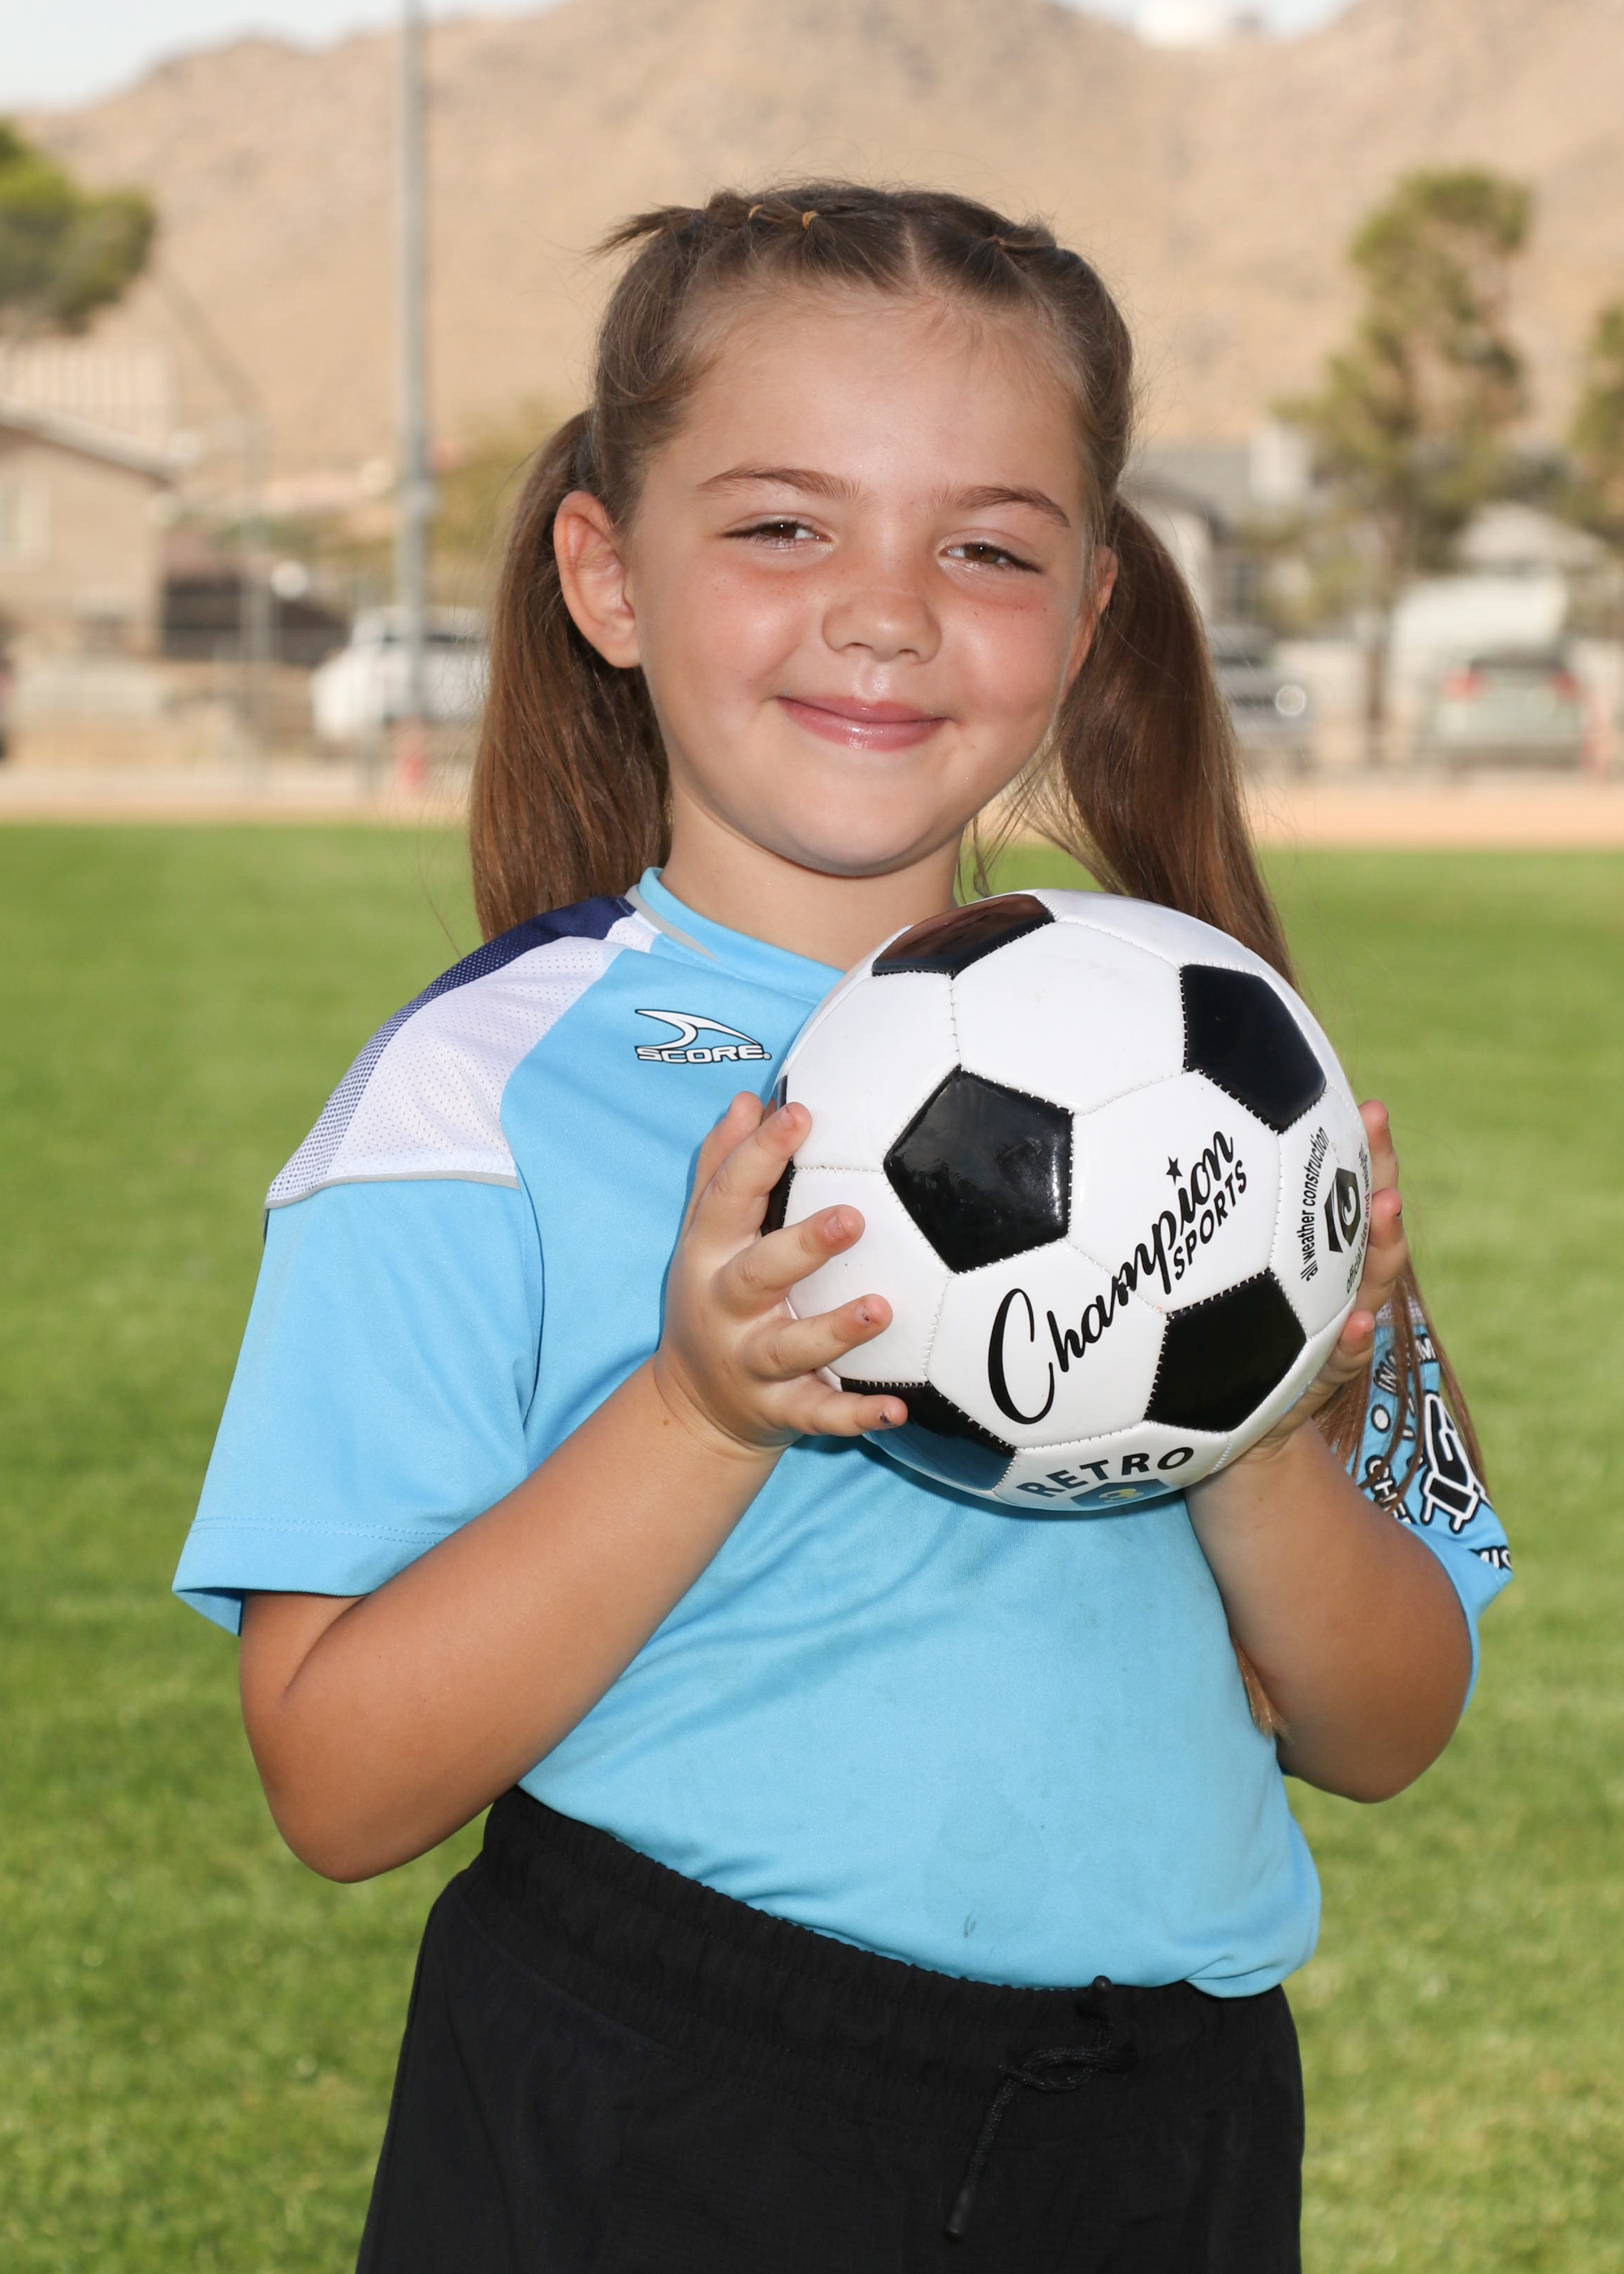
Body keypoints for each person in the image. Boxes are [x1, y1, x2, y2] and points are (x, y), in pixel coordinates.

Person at [173, 184, 1511, 2272]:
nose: (886, 612)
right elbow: (336, 1784)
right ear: (607, 574)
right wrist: (695, 1413)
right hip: (662, 2101)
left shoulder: (1233, 1081)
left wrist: (1256, 1426)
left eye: (987, 548)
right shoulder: (473, 1097)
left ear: (1088, 610)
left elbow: (1387, 1723)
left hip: (1163, 2125)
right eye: (785, 525)